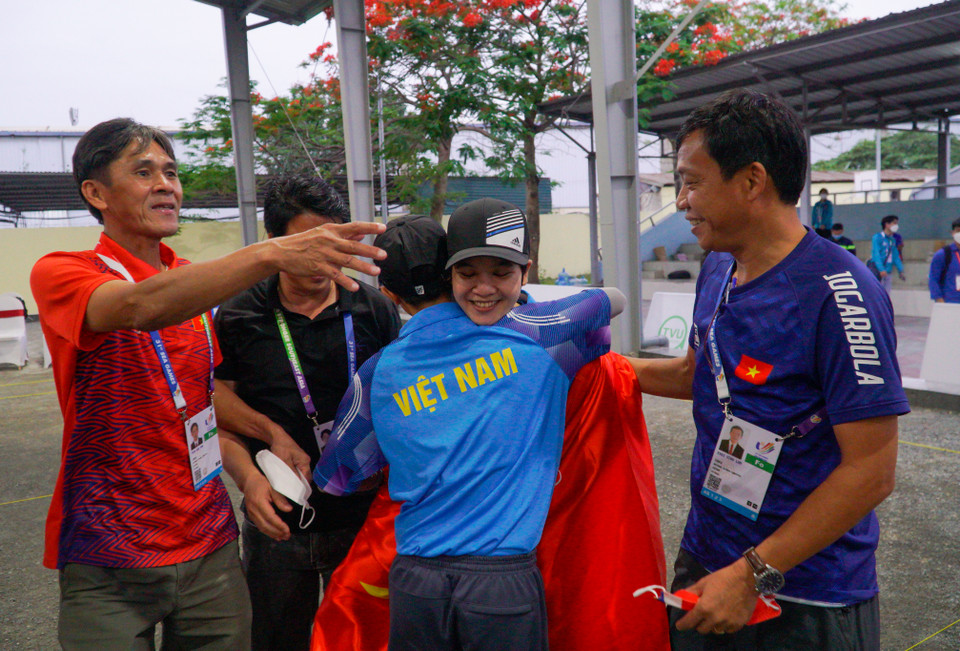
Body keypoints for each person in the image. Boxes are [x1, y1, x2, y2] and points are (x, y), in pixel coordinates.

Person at [30, 117, 386, 649]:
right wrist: (271, 255)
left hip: (210, 548)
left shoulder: (198, 292)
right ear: (95, 192)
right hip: (111, 550)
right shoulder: (64, 271)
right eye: (144, 171)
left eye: (171, 172)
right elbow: (139, 306)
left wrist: (266, 441)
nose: (165, 185)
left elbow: (201, 404)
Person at [629, 90, 909, 649]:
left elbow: (872, 470)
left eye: (691, 181)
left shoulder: (841, 295)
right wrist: (595, 368)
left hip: (802, 592)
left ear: (752, 181)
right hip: (708, 562)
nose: (682, 200)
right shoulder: (718, 267)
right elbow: (695, 374)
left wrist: (751, 573)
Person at [314, 202, 620, 651]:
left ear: (390, 298)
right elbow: (611, 299)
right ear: (449, 275)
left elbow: (341, 477)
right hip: (501, 582)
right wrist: (520, 298)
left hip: (415, 581)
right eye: (470, 273)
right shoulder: (542, 334)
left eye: (499, 272)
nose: (483, 287)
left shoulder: (376, 373)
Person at [211, 174, 401, 651]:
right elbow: (216, 410)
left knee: (366, 640)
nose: (322, 258)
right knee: (276, 640)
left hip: (362, 520)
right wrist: (250, 478)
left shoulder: (372, 309)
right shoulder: (238, 314)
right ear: (275, 244)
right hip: (276, 520)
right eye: (307, 244)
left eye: (333, 242)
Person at [928, 217, 960, 303]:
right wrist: (940, 301)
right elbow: (933, 279)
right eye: (958, 231)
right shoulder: (943, 254)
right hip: (949, 303)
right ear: (952, 233)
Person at [870, 214, 905, 294]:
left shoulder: (892, 240)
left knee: (887, 295)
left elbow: (895, 256)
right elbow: (876, 255)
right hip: (878, 272)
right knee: (877, 294)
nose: (896, 225)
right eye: (894, 223)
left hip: (888, 271)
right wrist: (881, 269)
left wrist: (901, 270)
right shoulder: (877, 237)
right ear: (887, 224)